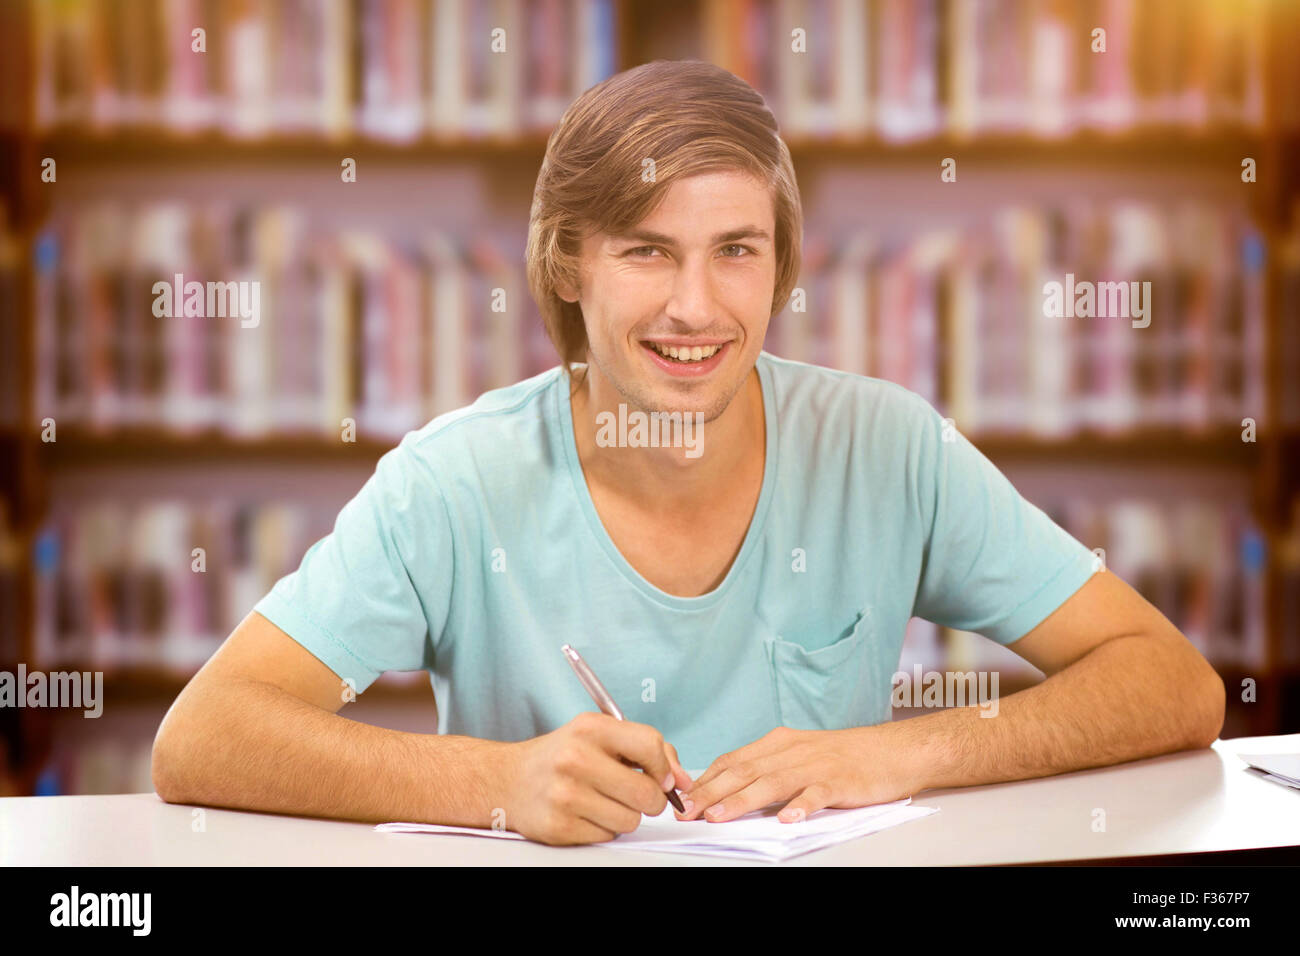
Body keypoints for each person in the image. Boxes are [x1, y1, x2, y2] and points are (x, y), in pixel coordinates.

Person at [152, 60, 1224, 846]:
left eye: (735, 252)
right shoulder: (454, 480)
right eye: (646, 252)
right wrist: (495, 781)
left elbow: (1171, 683)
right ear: (569, 265)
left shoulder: (886, 445)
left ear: (779, 268)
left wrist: (890, 750)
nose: (694, 308)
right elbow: (204, 737)